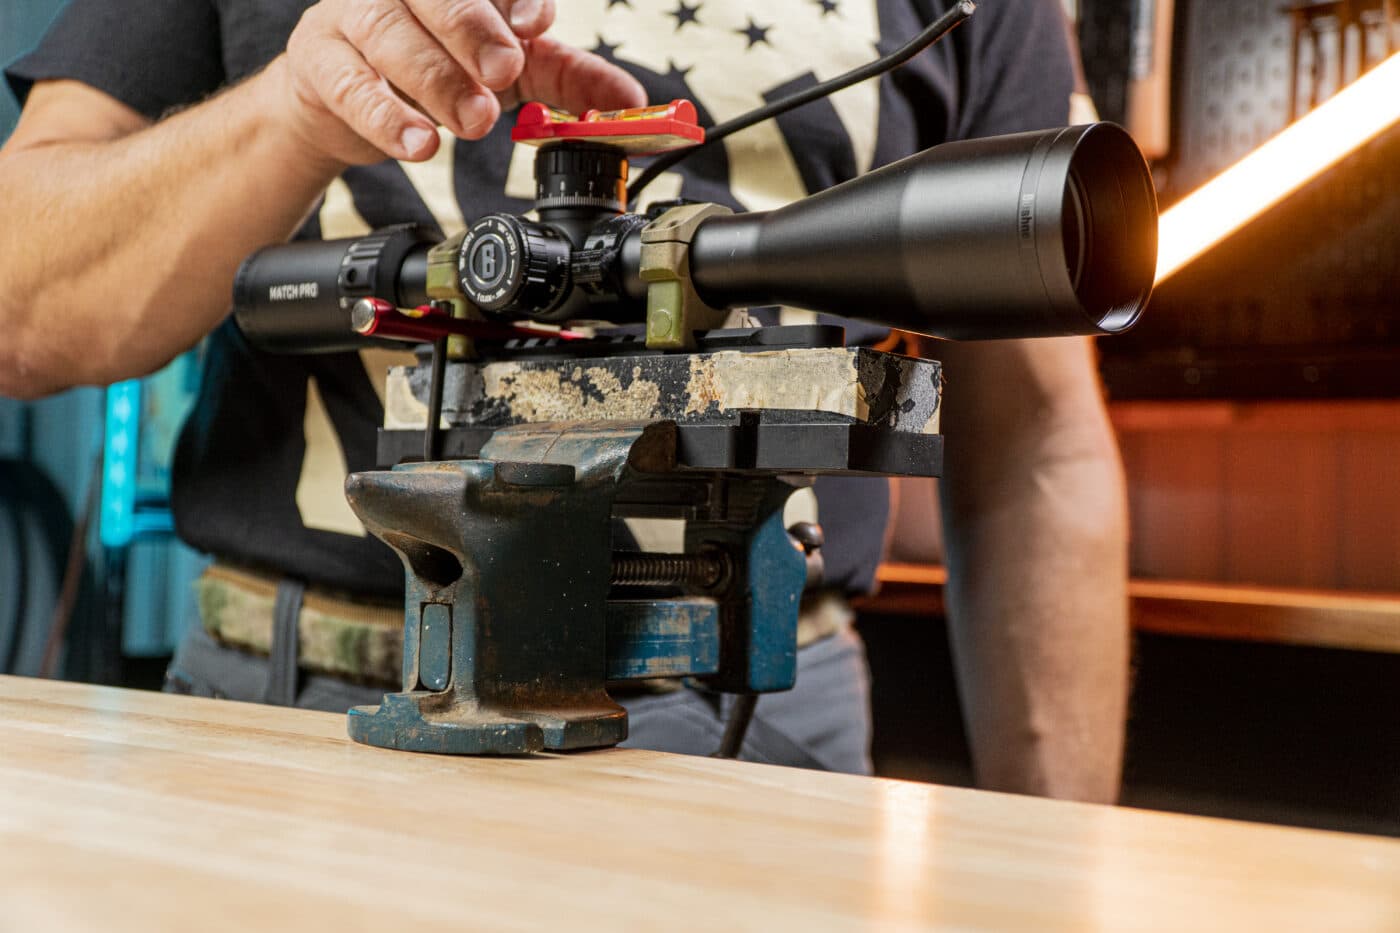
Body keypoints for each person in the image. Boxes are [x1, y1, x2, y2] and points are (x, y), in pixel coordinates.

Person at [0, 0, 1127, 801]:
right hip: (293, 700)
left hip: (755, 697)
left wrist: (1063, 867)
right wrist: (294, 111)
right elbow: (20, 309)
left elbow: (1034, 445)